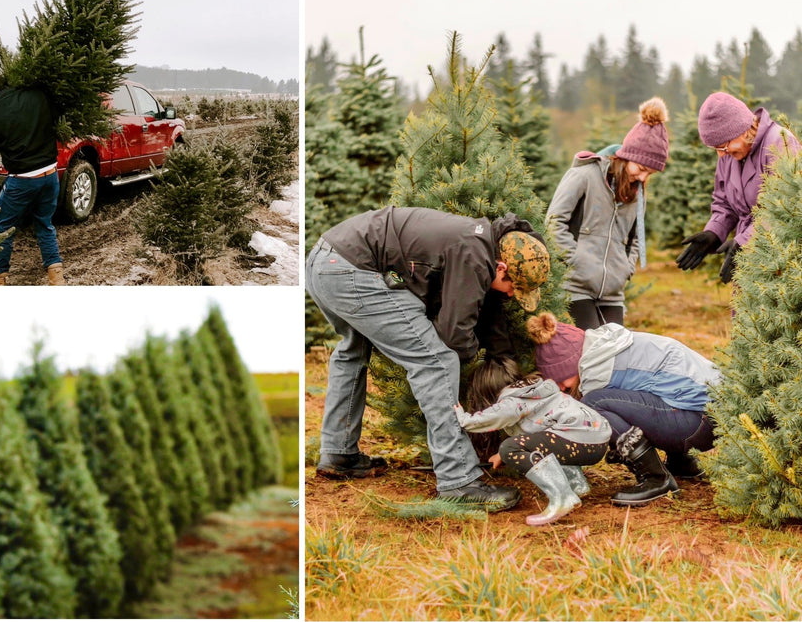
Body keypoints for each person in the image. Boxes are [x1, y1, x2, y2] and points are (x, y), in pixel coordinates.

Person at [305, 205, 551, 511]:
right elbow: (453, 334)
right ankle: (458, 479)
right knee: (436, 361)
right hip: (350, 269)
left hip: (325, 261)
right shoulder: (474, 255)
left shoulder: (479, 241)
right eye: (514, 286)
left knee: (352, 351)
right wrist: (473, 366)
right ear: (501, 267)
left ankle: (339, 452)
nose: (512, 294)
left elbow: (475, 306)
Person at [526, 312, 720, 506]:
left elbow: (590, 424)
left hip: (697, 425)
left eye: (560, 379)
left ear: (569, 366)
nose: (561, 387)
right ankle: (681, 463)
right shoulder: (608, 344)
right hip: (712, 418)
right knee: (652, 393)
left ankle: (657, 479)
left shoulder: (597, 370)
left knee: (593, 403)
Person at [545, 97, 670, 330]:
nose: (643, 178)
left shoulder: (637, 194)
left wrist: (624, 269)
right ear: (626, 157)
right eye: (641, 169)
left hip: (612, 292)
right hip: (575, 287)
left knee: (615, 353)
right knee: (590, 351)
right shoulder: (584, 176)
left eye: (650, 174)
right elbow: (554, 222)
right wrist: (574, 262)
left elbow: (633, 241)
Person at [452, 358, 610, 525]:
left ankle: (563, 497)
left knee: (509, 448)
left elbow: (486, 419)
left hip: (579, 439)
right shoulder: (532, 391)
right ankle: (576, 484)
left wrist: (462, 418)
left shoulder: (511, 401)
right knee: (548, 440)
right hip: (596, 439)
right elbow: (539, 435)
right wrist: (499, 455)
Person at [676, 91, 801, 282]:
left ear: (743, 130)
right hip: (748, 258)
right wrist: (714, 232)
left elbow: (784, 205)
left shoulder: (779, 142)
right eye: (716, 149)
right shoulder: (728, 156)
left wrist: (744, 242)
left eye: (724, 147)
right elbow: (724, 202)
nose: (721, 155)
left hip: (783, 257)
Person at [0, 72, 66, 286]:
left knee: (3, 228)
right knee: (44, 224)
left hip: (22, 179)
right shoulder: (37, 95)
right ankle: (57, 279)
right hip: (50, 175)